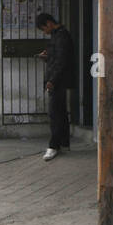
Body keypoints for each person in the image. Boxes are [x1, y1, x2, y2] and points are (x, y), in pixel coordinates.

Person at [36, 12, 75, 161]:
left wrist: (52, 80)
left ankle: (53, 146)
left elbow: (61, 61)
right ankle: (64, 143)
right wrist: (47, 56)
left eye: (43, 28)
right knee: (61, 112)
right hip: (58, 78)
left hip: (58, 80)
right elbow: (56, 58)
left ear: (49, 23)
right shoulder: (57, 35)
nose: (44, 32)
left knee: (55, 113)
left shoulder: (61, 37)